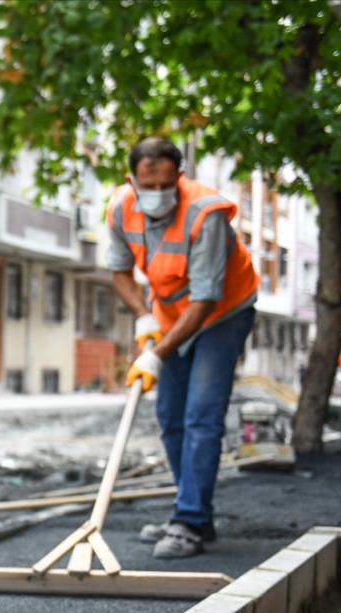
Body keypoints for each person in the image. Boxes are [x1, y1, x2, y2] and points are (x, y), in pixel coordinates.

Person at [106, 137, 259, 559]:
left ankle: (189, 521)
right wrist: (144, 315)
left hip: (223, 314)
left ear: (179, 176)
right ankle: (193, 514)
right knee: (171, 418)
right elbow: (119, 271)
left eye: (165, 184)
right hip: (173, 316)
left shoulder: (204, 213)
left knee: (201, 415)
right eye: (147, 184)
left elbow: (206, 297)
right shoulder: (120, 207)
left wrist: (155, 354)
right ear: (131, 180)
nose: (156, 193)